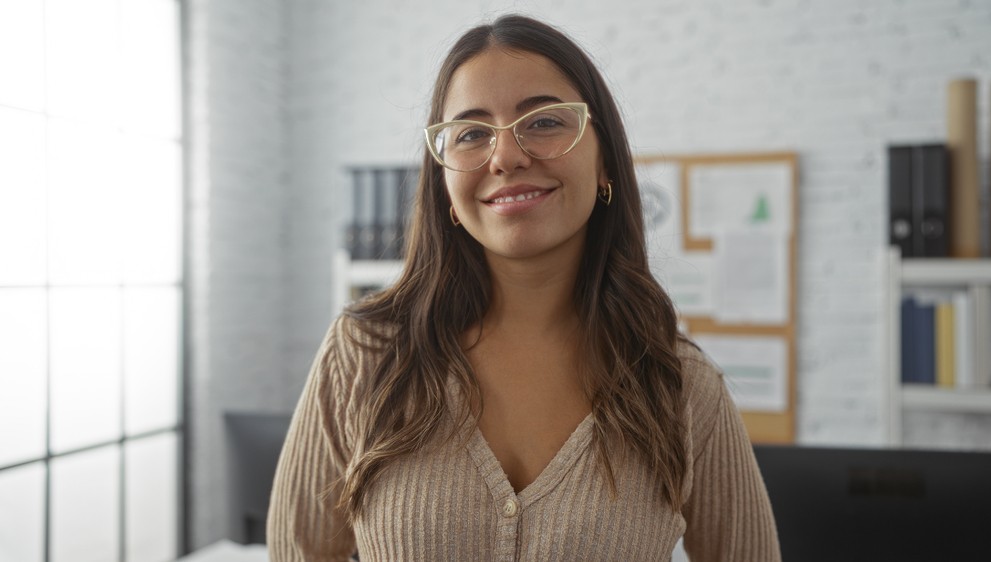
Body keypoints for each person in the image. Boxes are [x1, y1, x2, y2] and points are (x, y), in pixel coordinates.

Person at [267, 14, 780, 561]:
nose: (506, 156)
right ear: (444, 183)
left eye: (544, 122)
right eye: (470, 134)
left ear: (604, 158)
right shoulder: (365, 356)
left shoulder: (680, 386)